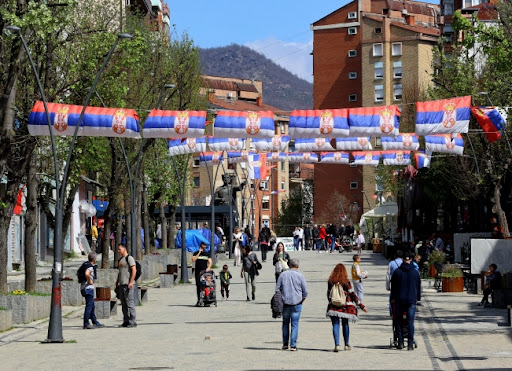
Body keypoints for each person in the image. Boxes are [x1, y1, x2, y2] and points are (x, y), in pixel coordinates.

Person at [327, 263, 367, 352]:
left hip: (333, 306)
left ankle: (337, 344)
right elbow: (352, 294)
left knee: (335, 325)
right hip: (345, 306)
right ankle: (346, 344)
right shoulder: (346, 281)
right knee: (345, 324)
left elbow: (328, 294)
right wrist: (361, 305)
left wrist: (332, 302)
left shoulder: (331, 281)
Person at [390, 251, 421, 350]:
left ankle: (400, 342)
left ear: (402, 259)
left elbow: (393, 287)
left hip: (399, 299)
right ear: (411, 259)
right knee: (410, 322)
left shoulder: (397, 272)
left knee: (398, 321)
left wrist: (392, 298)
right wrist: (418, 298)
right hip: (411, 300)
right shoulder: (415, 272)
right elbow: (418, 287)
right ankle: (410, 344)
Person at [276, 259, 308, 351]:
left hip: (285, 303)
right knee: (295, 324)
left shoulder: (282, 275)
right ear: (298, 266)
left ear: (289, 265)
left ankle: (285, 344)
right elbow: (305, 291)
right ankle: (293, 345)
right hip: (297, 303)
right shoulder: (300, 276)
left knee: (285, 323)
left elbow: (277, 288)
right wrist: (302, 300)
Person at [116, 244, 137, 328]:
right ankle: (126, 320)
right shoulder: (120, 260)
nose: (118, 251)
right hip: (121, 284)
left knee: (130, 303)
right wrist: (117, 282)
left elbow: (134, 270)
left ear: (124, 249)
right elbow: (119, 272)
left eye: (119, 249)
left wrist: (131, 282)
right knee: (123, 304)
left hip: (128, 284)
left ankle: (133, 321)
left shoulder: (129, 258)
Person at [80, 252, 104, 329]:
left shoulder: (85, 264)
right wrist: (90, 280)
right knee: (89, 306)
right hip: (88, 289)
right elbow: (87, 273)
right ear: (94, 259)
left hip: (84, 288)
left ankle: (95, 321)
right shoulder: (90, 267)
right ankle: (86, 323)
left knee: (92, 306)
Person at [192, 242, 212, 306]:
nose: (204, 249)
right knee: (198, 286)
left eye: (205, 247)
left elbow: (210, 262)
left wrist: (208, 267)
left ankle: (206, 299)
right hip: (198, 272)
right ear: (200, 247)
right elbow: (193, 260)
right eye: (203, 247)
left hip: (204, 273)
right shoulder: (196, 253)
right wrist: (199, 253)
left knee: (205, 285)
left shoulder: (207, 254)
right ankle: (199, 300)